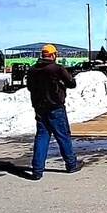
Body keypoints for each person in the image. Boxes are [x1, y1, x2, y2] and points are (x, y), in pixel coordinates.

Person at [25, 44, 81, 180]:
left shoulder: (33, 70)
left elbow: (30, 87)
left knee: (41, 137)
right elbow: (72, 84)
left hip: (39, 108)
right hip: (55, 108)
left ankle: (37, 170)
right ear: (53, 55)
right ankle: (71, 164)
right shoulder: (57, 69)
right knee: (63, 136)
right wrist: (61, 84)